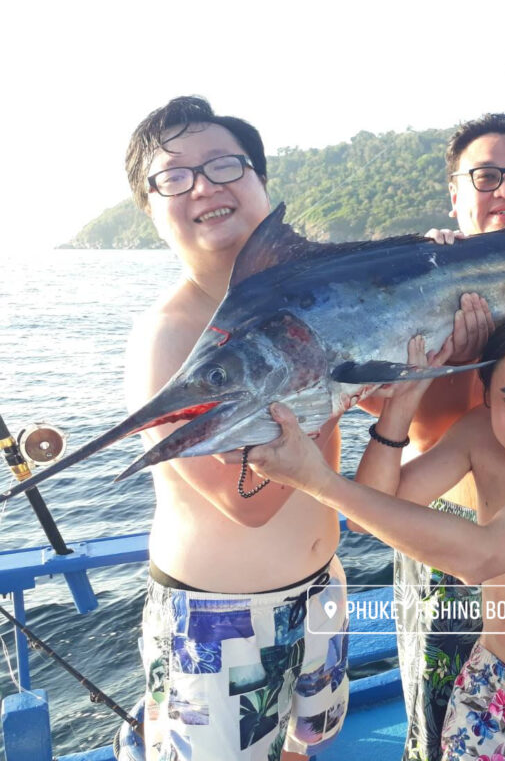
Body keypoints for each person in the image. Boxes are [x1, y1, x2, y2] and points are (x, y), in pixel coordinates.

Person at [243, 304, 505, 761]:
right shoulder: (480, 433)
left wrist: (316, 479)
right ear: (487, 392)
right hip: (491, 681)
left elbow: (482, 556)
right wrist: (403, 401)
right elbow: (374, 508)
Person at [123, 96, 348, 760]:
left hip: (322, 585)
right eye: (174, 177)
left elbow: (373, 403)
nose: (204, 187)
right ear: (150, 209)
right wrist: (340, 382)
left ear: (261, 183)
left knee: (306, 745)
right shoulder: (168, 338)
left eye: (225, 165)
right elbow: (246, 504)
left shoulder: (313, 300)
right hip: (219, 619)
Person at [357, 112, 505, 761]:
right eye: (485, 177)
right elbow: (401, 419)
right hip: (445, 531)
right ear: (456, 195)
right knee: (443, 724)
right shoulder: (414, 277)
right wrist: (453, 363)